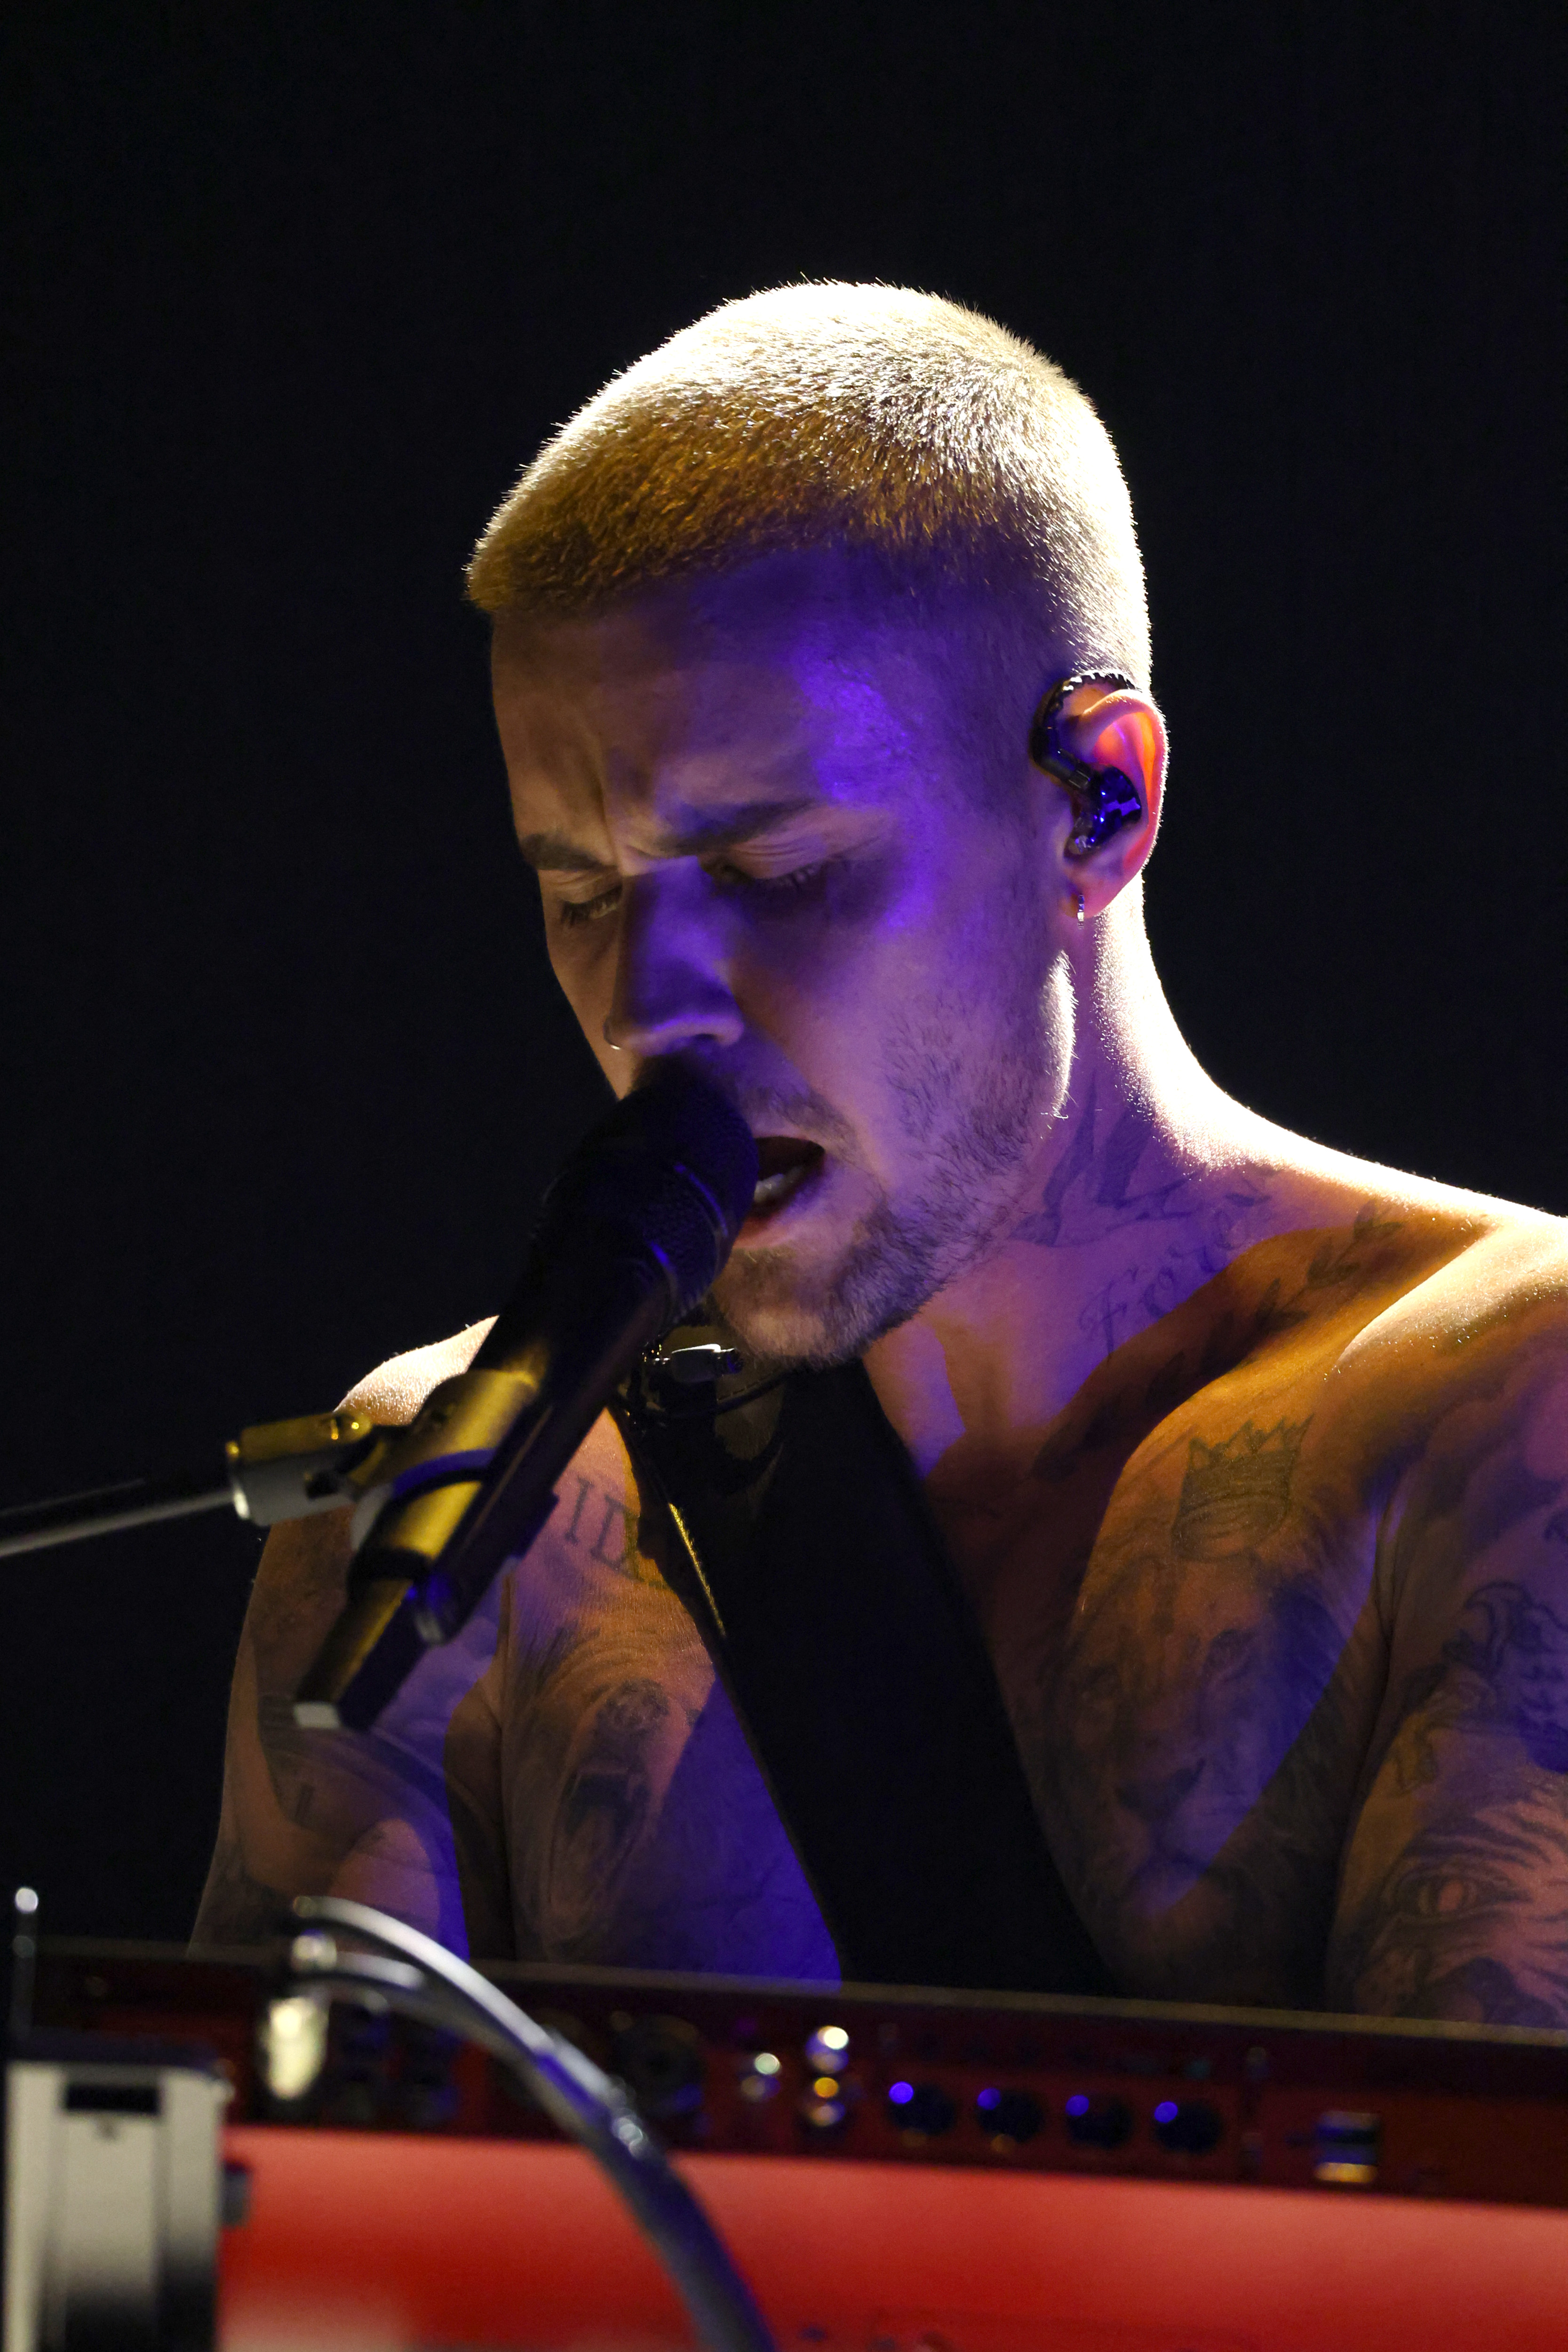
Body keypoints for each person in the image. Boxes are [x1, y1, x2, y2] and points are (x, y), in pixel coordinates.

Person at [195, 285, 1568, 2024]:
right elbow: (251, 2265)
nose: (645, 1011)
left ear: (1099, 798)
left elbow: (1480, 2272)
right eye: (582, 894)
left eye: (772, 873)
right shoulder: (441, 1508)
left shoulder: (1508, 1401)